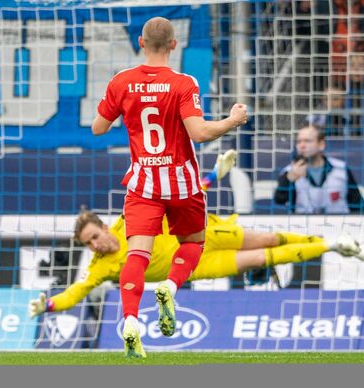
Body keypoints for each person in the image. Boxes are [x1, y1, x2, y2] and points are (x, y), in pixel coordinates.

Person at [91, 16, 248, 358]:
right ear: (174, 44)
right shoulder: (183, 83)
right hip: (181, 184)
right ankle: (170, 286)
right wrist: (233, 120)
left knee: (137, 255)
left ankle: (130, 321)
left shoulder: (122, 81)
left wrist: (121, 104)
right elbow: (200, 133)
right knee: (193, 244)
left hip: (144, 184)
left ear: (141, 43)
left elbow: (98, 128)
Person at [28, 211, 364, 318]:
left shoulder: (128, 219)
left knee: (267, 240)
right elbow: (75, 291)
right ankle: (333, 246)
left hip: (204, 234)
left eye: (94, 236)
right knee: (259, 259)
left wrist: (208, 180)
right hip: (196, 265)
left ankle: (328, 241)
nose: (94, 245)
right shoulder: (101, 267)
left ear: (104, 227)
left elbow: (170, 201)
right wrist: (50, 304)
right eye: (88, 243)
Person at [273, 124, 364, 214]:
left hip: (339, 226)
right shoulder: (289, 171)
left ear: (321, 144)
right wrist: (289, 179)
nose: (302, 145)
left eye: (307, 141)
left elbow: (357, 204)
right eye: (299, 141)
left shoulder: (341, 168)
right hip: (303, 227)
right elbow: (279, 200)